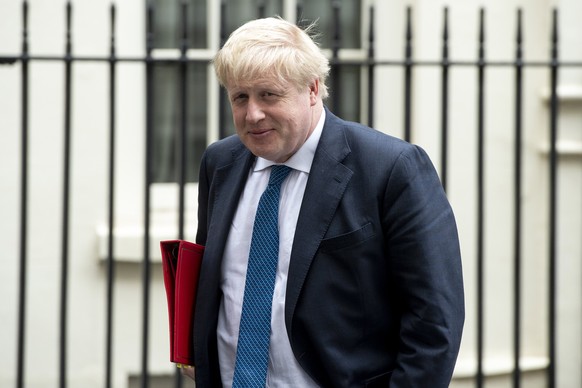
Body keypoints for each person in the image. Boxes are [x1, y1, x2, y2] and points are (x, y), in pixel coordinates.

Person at [186, 16, 464, 387]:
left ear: (313, 89)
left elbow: (434, 323)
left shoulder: (391, 168)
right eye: (240, 97)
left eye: (268, 94)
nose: (252, 113)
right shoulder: (220, 163)